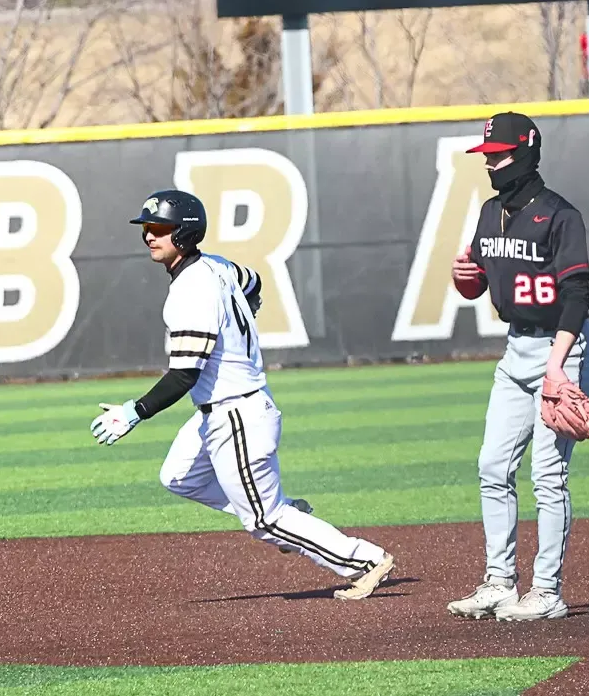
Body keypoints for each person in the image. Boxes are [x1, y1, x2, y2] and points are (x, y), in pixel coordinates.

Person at [90, 189, 395, 601]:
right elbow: (253, 280)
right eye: (146, 227)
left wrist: (134, 412)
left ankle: (363, 560)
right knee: (178, 476)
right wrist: (244, 308)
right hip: (225, 408)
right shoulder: (217, 266)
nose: (149, 235)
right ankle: (283, 513)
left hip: (236, 414)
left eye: (159, 227)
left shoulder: (190, 290)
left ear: (183, 232)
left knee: (263, 521)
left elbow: (183, 375)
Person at [445, 112, 589, 621]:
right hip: (516, 349)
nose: (492, 162)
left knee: (548, 476)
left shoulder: (560, 215)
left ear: (529, 151)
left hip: (563, 347)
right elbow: (480, 284)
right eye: (487, 156)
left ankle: (548, 592)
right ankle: (499, 582)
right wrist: (463, 276)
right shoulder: (491, 214)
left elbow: (577, 298)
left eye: (501, 154)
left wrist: (558, 368)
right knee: (493, 465)